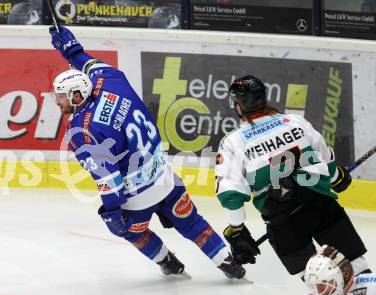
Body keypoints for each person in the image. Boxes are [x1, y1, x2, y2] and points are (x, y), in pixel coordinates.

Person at [49, 25, 246, 279]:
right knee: (190, 221)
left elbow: (109, 182)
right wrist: (72, 49)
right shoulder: (111, 80)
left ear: (77, 95)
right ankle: (228, 263)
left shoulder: (81, 132)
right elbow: (89, 65)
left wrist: (112, 213)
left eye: (62, 96)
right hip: (164, 177)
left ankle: (168, 262)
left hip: (137, 197)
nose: (57, 101)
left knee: (128, 229)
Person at [215, 74, 371, 278]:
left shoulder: (232, 142)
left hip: (283, 222)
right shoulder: (295, 121)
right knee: (358, 269)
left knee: (320, 284)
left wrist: (236, 230)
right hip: (320, 204)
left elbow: (231, 194)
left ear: (238, 106)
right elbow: (326, 159)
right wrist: (336, 177)